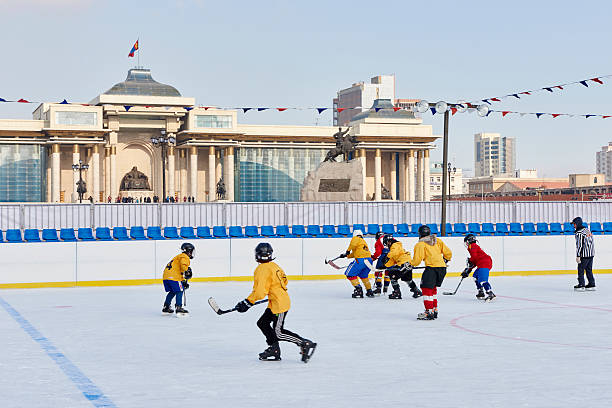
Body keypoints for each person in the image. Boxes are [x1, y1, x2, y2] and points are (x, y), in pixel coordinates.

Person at [235, 243, 316, 362]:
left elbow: (259, 292)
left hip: (279, 304)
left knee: (278, 332)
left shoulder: (261, 269)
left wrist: (247, 302)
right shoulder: (274, 265)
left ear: (257, 255)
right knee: (262, 323)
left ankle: (304, 343)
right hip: (277, 301)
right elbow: (285, 281)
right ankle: (274, 349)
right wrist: (273, 291)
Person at [410, 225, 452, 320]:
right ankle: (434, 309)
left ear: (420, 234)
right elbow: (448, 253)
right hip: (442, 268)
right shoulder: (437, 241)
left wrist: (410, 264)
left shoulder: (420, 244)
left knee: (426, 289)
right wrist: (445, 260)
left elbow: (417, 260)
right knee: (432, 289)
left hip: (432, 268)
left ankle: (429, 311)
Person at [383, 234, 422, 299]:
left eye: (386, 243)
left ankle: (397, 293)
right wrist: (385, 265)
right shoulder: (396, 247)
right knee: (407, 279)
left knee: (392, 275)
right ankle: (417, 291)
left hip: (403, 264)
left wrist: (387, 257)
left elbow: (393, 252)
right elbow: (392, 260)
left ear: (388, 241)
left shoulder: (395, 245)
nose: (386, 245)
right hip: (407, 263)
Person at [339, 229, 374, 298]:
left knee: (349, 274)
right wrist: (346, 255)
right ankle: (369, 291)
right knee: (363, 276)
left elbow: (353, 244)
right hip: (369, 260)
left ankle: (358, 290)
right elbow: (355, 253)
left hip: (361, 260)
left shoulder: (356, 238)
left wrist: (347, 251)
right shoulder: (363, 241)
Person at [162, 242, 194, 316]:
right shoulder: (184, 256)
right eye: (191, 251)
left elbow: (177, 270)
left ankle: (166, 307)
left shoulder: (178, 257)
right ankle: (179, 307)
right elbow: (183, 266)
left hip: (166, 277)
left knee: (173, 291)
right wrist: (186, 270)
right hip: (174, 277)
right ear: (188, 251)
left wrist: (182, 280)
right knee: (180, 290)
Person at [461, 234, 495, 301]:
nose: (466, 243)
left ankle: (490, 293)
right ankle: (481, 292)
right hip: (482, 263)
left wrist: (470, 262)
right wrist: (468, 270)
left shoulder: (472, 246)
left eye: (467, 241)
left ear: (470, 240)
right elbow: (475, 260)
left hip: (484, 263)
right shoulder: (473, 247)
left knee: (482, 280)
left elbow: (473, 258)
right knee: (475, 277)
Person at [572, 217, 595, 291]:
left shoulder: (579, 233)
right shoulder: (587, 230)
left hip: (584, 255)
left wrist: (578, 256)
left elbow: (579, 245)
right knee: (589, 269)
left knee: (580, 269)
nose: (574, 226)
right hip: (591, 254)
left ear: (577, 224)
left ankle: (581, 284)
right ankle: (592, 284)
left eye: (574, 224)